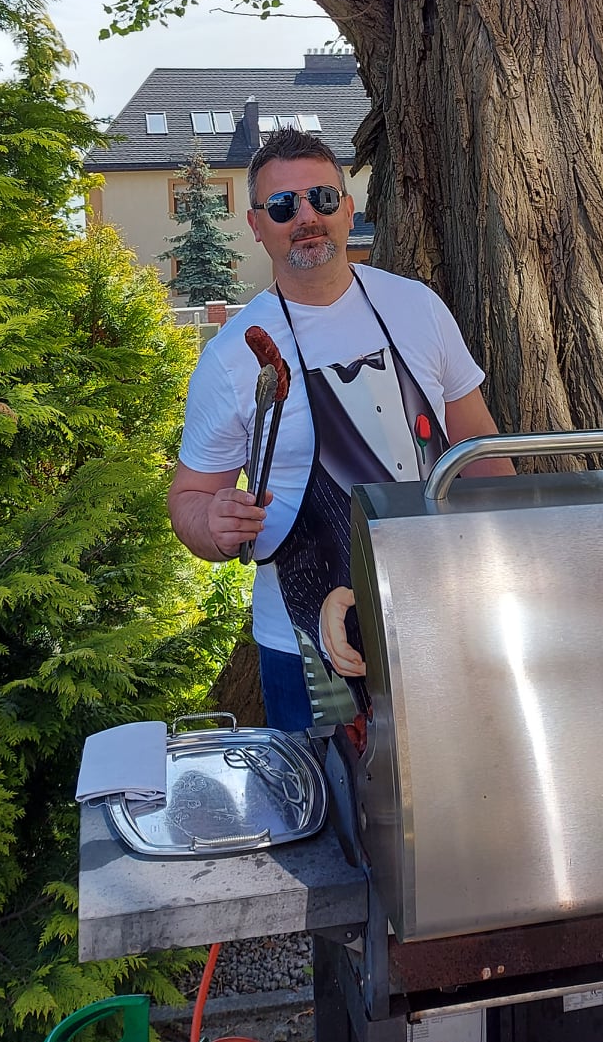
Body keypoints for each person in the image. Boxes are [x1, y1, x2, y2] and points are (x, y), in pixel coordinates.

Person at [168, 126, 513, 731]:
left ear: (348, 209)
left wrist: (508, 564)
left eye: (322, 198)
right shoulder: (230, 359)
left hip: (445, 610)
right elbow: (190, 499)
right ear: (256, 225)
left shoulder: (417, 307)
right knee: (333, 790)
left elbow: (479, 453)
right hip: (304, 647)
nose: (307, 217)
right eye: (283, 205)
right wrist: (213, 524)